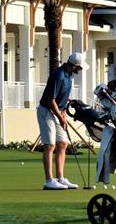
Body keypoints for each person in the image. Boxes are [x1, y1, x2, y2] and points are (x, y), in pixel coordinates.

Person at [37, 51, 85, 190]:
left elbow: (60, 98)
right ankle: (49, 181)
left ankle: (60, 178)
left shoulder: (69, 76)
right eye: (80, 67)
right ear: (74, 66)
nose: (81, 70)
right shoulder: (58, 75)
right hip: (46, 111)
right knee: (49, 146)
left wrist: (64, 114)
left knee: (63, 143)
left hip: (58, 112)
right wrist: (61, 118)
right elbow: (50, 100)